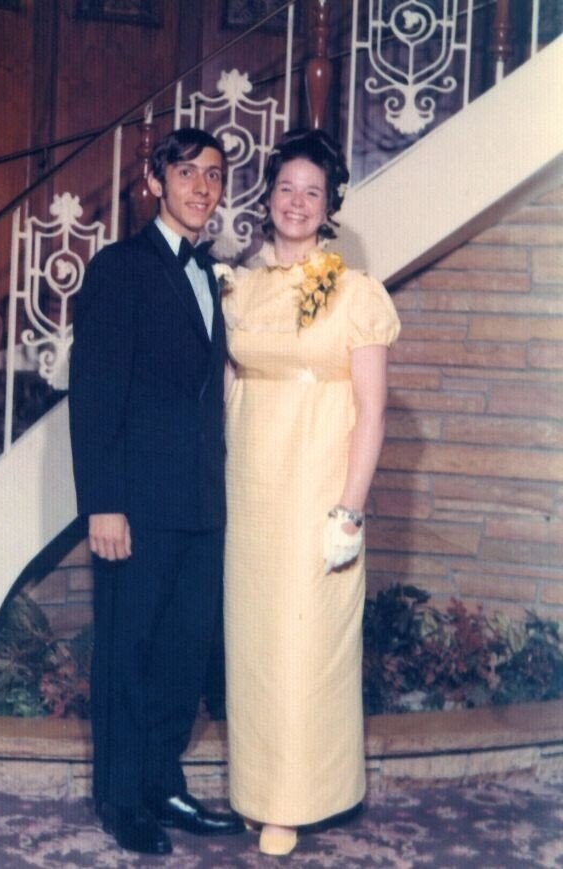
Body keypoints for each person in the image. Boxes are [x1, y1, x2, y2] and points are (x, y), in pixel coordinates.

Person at [221, 129, 401, 856]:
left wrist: (349, 508)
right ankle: (253, 788)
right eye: (286, 188)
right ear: (268, 197)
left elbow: (374, 407)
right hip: (251, 492)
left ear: (330, 207)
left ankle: (297, 798)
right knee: (254, 644)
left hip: (317, 489)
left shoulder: (356, 294)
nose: (297, 202)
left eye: (312, 192)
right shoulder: (239, 286)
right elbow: (230, 385)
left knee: (304, 643)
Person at [68, 127, 244, 856]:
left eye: (214, 174)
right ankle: (120, 796)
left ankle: (165, 780)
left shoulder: (213, 275)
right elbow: (96, 391)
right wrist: (103, 500)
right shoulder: (121, 267)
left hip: (202, 504)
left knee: (181, 649)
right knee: (129, 649)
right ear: (154, 180)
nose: (202, 187)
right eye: (186, 172)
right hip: (136, 504)